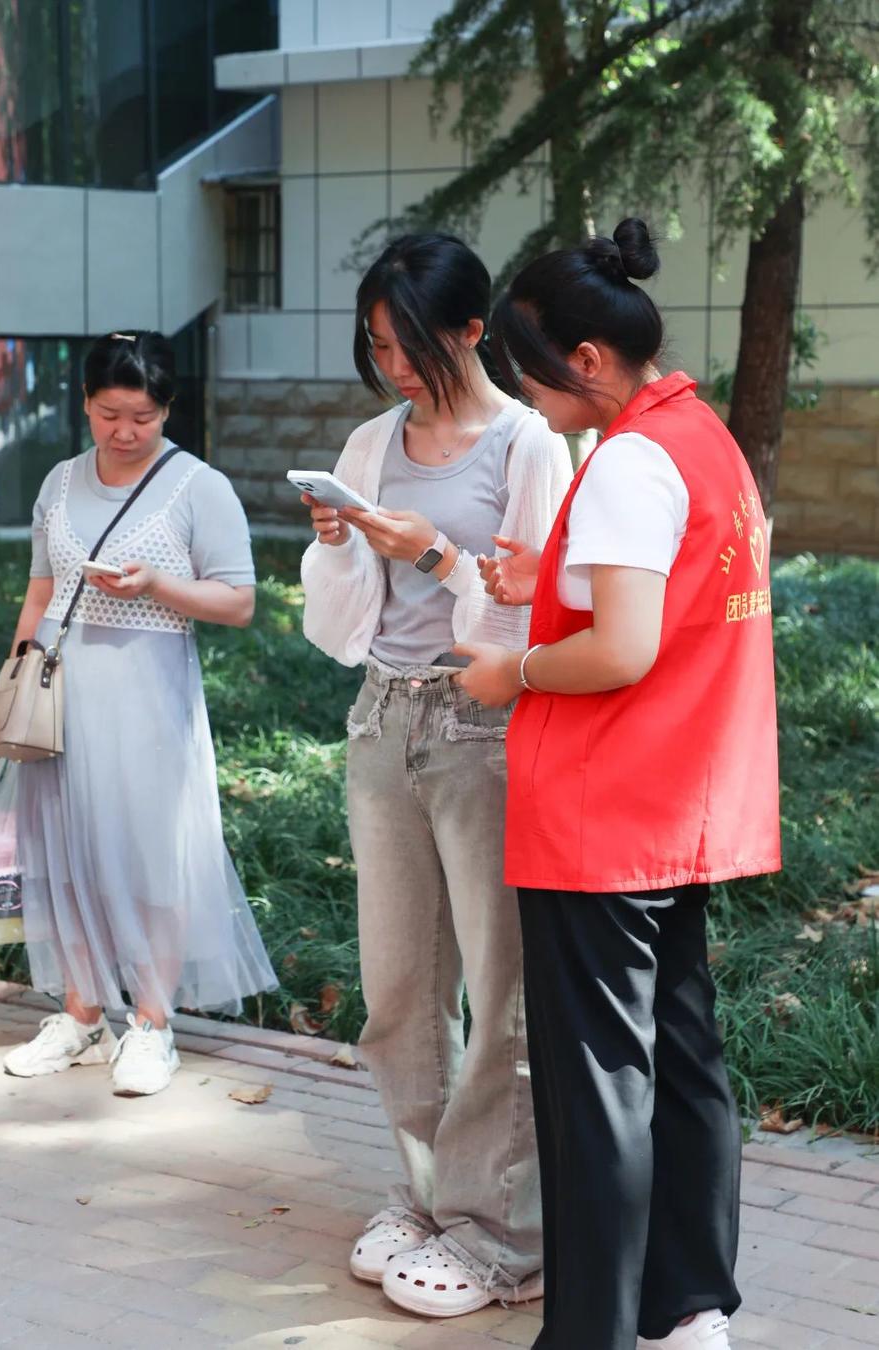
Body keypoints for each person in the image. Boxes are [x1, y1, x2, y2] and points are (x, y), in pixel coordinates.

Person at [454, 219, 781, 1349]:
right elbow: (672, 595)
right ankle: (689, 1310)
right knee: (683, 1063)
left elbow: (624, 648)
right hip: (680, 801)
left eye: (532, 375)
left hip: (602, 810)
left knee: (597, 1088)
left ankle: (589, 1332)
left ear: (587, 359)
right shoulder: (703, 438)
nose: (528, 398)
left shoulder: (627, 461)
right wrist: (552, 573)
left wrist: (511, 671)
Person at [300, 234, 572, 1317]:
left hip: (484, 728)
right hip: (382, 718)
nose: (396, 367)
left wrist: (435, 555)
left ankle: (500, 1235)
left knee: (501, 993)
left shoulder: (528, 444)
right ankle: (425, 1200)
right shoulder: (372, 442)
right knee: (401, 991)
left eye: (412, 344)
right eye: (378, 346)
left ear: (472, 330)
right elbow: (339, 629)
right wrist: (338, 541)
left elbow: (538, 616)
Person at [3, 331, 277, 1097]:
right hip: (60, 693)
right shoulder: (59, 481)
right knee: (65, 855)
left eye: (143, 417)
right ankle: (82, 1014)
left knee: (152, 856)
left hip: (147, 697)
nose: (124, 432)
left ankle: (153, 1025)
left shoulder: (197, 486)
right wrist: (18, 680)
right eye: (108, 413)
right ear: (85, 402)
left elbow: (239, 601)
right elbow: (40, 589)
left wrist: (156, 583)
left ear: (169, 408)